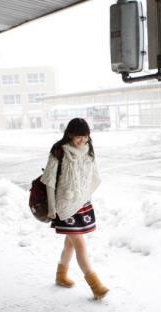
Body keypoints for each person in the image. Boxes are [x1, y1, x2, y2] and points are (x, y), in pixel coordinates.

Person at [41, 118, 108, 300]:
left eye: (86, 137)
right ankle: (95, 285)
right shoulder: (59, 151)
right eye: (79, 137)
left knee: (70, 243)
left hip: (83, 203)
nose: (83, 141)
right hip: (64, 204)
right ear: (70, 134)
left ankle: (61, 276)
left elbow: (94, 176)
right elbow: (49, 181)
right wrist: (52, 208)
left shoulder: (88, 150)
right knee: (80, 244)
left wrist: (85, 195)